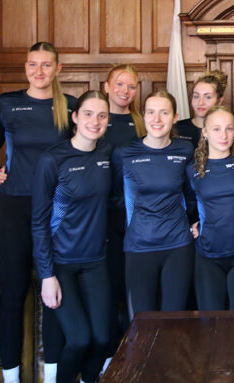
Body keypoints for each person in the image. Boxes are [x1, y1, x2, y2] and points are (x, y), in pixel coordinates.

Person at [0, 42, 76, 383]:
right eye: (32, 64)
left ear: (58, 69)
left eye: (46, 65)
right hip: (14, 206)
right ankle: (11, 376)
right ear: (25, 67)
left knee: (54, 294)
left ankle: (51, 374)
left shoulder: (70, 106)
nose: (39, 71)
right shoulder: (7, 103)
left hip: (57, 209)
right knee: (12, 294)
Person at [32, 91, 113, 383]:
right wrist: (46, 275)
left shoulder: (107, 154)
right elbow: (39, 221)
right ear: (75, 117)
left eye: (102, 116)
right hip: (61, 263)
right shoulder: (53, 159)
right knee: (78, 340)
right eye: (88, 114)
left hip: (96, 261)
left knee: (103, 339)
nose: (95, 121)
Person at [112, 91, 194, 316]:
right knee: (143, 322)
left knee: (174, 321)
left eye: (164, 113)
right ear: (143, 116)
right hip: (139, 245)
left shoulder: (185, 150)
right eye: (151, 112)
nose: (157, 119)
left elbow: (192, 194)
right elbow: (115, 197)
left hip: (178, 245)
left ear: (175, 117)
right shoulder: (125, 153)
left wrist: (197, 222)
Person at [186, 106, 234, 310]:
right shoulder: (192, 169)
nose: (224, 135)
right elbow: (188, 203)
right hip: (208, 255)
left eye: (229, 128)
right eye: (216, 129)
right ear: (205, 132)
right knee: (210, 321)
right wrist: (192, 224)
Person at [100, 64, 144, 369]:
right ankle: (108, 357)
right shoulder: (96, 119)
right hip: (100, 216)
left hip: (134, 216)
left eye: (131, 86)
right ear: (106, 87)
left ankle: (135, 353)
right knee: (108, 286)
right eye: (119, 84)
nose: (124, 91)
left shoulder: (140, 123)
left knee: (132, 285)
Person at [175, 69, 227, 148]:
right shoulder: (176, 128)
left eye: (208, 97)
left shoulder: (226, 131)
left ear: (219, 101)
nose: (200, 103)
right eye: (196, 96)